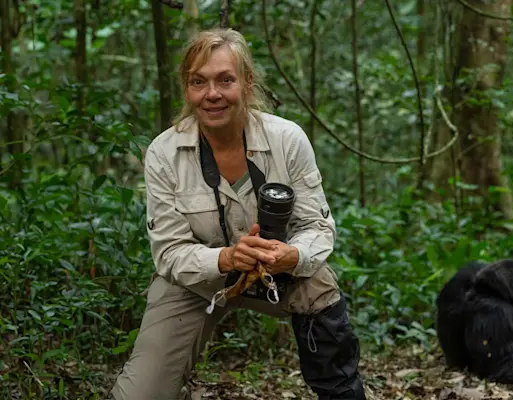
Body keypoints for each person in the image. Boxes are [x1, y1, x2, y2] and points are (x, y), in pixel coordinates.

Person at [110, 28, 366, 400]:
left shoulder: (287, 140)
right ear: (187, 88)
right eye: (198, 82)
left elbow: (316, 227)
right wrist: (227, 258)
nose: (212, 94)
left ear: (247, 84)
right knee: (140, 394)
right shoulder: (164, 153)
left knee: (318, 283)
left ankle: (342, 392)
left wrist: (291, 255)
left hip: (278, 272)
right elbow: (169, 253)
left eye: (225, 80)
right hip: (199, 280)